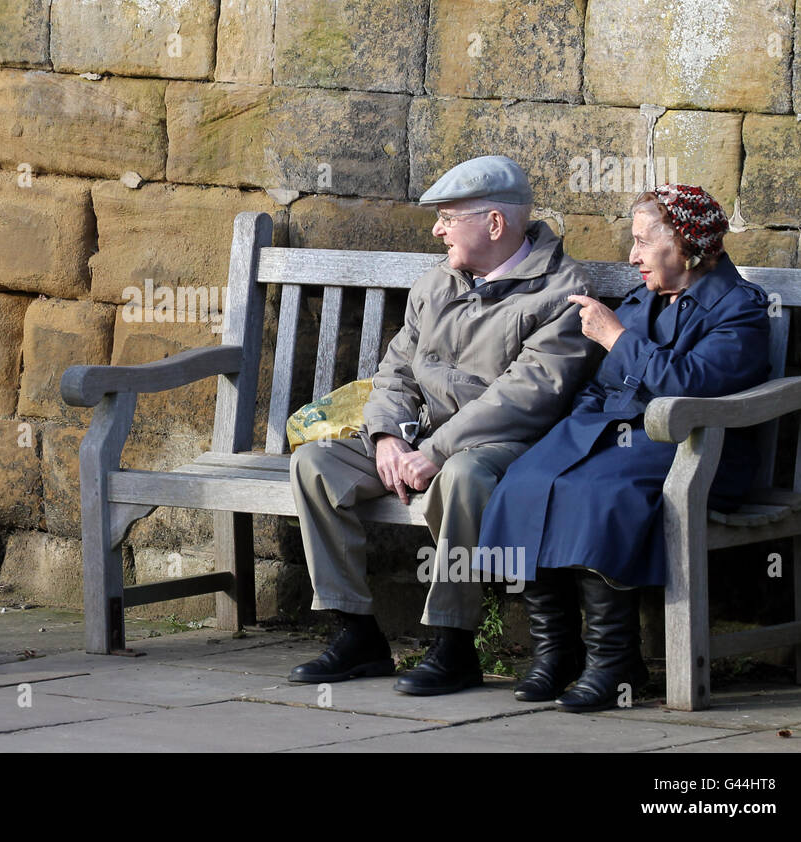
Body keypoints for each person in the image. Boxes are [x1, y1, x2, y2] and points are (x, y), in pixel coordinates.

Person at [288, 155, 598, 694]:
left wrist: (435, 451)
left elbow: (524, 396)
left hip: (501, 445)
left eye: (448, 218)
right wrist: (385, 436)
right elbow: (394, 372)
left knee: (461, 478)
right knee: (314, 463)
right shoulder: (436, 283)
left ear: (494, 224)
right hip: (419, 438)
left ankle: (454, 646)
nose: (437, 230)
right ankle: (356, 633)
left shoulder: (560, 292)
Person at [478, 185, 770, 712]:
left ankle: (613, 663)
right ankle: (557, 653)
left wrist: (618, 338)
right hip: (612, 433)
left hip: (693, 447)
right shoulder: (644, 299)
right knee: (526, 481)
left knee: (599, 494)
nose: (632, 257)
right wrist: (578, 423)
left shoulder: (740, 308)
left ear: (684, 243)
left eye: (641, 243)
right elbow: (603, 385)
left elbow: (695, 384)